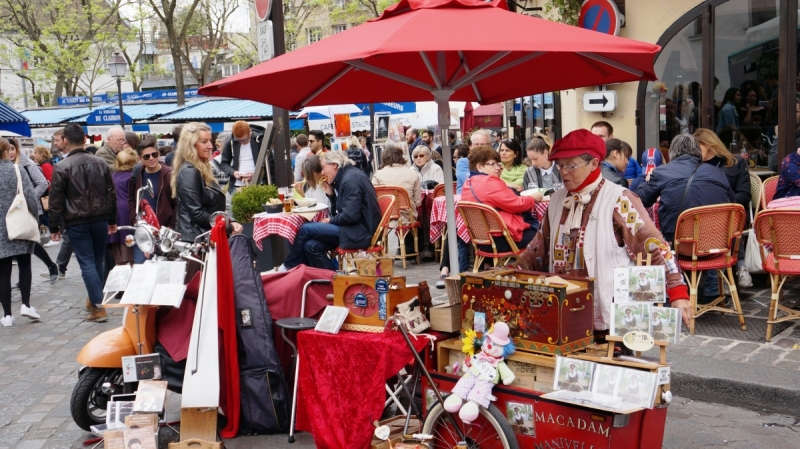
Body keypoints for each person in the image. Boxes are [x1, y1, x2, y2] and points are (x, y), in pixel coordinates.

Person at [518, 129, 692, 334]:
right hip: (563, 311)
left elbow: (653, 244)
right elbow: (538, 249)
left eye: (571, 165)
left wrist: (678, 292)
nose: (563, 171)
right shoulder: (556, 200)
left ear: (594, 163)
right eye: (560, 165)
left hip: (609, 315)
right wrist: (512, 273)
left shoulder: (620, 199)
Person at [49, 123, 118, 323]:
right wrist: (112, 220)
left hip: (77, 220)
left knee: (88, 263)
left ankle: (97, 306)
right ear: (85, 139)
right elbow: (111, 194)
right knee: (96, 261)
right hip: (100, 218)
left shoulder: (61, 167)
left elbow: (56, 201)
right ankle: (93, 298)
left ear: (66, 141)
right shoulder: (100, 163)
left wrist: (54, 226)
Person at [279, 151, 380, 271]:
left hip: (359, 232)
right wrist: (332, 195)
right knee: (310, 246)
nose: (322, 172)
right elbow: (343, 211)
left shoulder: (350, 180)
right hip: (355, 229)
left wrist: (329, 220)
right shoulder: (348, 176)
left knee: (304, 228)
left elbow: (350, 216)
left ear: (334, 165)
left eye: (323, 168)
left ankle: (290, 266)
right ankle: (333, 280)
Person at [636, 134, 736, 244]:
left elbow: (641, 199)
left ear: (671, 152)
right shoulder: (718, 173)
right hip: (716, 245)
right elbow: (733, 203)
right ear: (698, 151)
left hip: (678, 245)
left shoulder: (662, 172)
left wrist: (647, 180)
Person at [693, 128, 752, 287]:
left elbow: (745, 195)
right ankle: (723, 273)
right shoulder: (694, 166)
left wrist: (724, 202)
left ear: (709, 145)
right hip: (703, 214)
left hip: (729, 211)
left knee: (731, 216)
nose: (695, 152)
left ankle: (737, 267)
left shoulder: (735, 162)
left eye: (698, 147)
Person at [461, 145, 538, 255]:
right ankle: (534, 269)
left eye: (498, 164)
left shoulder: (468, 183)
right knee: (544, 235)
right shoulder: (490, 182)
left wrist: (497, 177)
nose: (497, 167)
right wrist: (532, 198)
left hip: (481, 241)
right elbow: (516, 204)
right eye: (492, 164)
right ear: (480, 167)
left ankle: (488, 265)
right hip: (503, 239)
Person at [172, 122, 238, 242]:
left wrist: (228, 221)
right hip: (197, 240)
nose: (210, 146)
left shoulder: (198, 168)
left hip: (202, 237)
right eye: (204, 142)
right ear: (190, 145)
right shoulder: (189, 171)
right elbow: (197, 213)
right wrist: (227, 224)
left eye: (210, 141)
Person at [0, 138, 40, 326]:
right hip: (19, 222)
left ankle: (7, 315)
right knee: (25, 264)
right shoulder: (17, 170)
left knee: (3, 272)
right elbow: (31, 198)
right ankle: (26, 304)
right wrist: (35, 219)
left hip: (0, 229)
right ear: (7, 151)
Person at [10, 141, 60, 287]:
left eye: (13, 148)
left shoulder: (27, 164)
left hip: (31, 209)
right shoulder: (5, 166)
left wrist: (27, 198)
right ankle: (34, 273)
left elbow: (43, 183)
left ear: (18, 149)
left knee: (28, 242)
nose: (11, 152)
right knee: (24, 243)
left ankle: (50, 266)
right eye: (9, 149)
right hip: (13, 211)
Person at [129, 136, 176, 263]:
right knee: (141, 267)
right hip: (143, 231)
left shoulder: (168, 175)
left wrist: (170, 227)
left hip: (163, 230)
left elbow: (177, 204)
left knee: (162, 269)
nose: (151, 158)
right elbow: (132, 199)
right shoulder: (137, 172)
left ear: (159, 154)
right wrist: (135, 221)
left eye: (154, 154)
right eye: (146, 156)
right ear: (139, 159)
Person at [373, 144, 421, 223]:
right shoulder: (413, 174)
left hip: (385, 217)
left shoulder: (378, 175)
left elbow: (374, 199)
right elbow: (418, 202)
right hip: (408, 218)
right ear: (401, 156)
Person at [109, 149, 137, 267]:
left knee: (117, 242)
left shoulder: (113, 176)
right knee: (130, 241)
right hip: (128, 211)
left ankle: (120, 265)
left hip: (114, 210)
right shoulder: (133, 177)